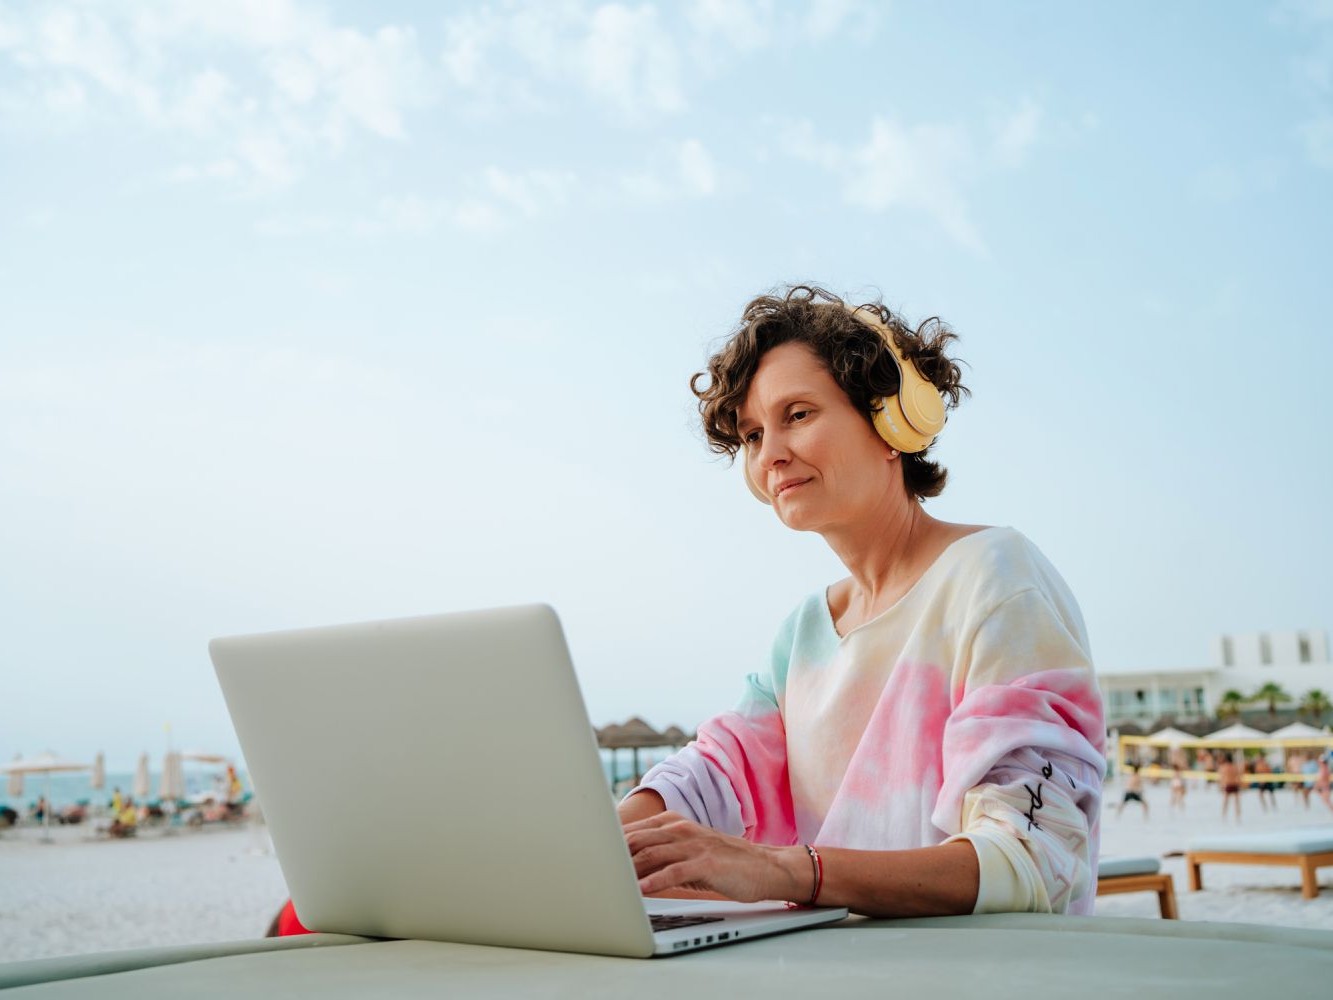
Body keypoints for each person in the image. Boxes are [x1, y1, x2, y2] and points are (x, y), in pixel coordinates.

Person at [616, 286, 1105, 918]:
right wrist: (597, 843)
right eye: (753, 434)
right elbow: (714, 772)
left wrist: (782, 869)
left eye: (797, 414)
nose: (771, 455)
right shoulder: (803, 633)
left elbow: (1034, 860)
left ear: (891, 420)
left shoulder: (995, 575)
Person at [1217, 754, 1242, 821]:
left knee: (1226, 802)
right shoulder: (1235, 767)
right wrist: (1240, 784)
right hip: (1235, 784)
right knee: (1236, 802)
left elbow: (1222, 778)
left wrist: (1221, 786)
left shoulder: (1224, 767)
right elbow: (1239, 777)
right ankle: (1238, 816)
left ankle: (1224, 815)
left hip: (1228, 785)